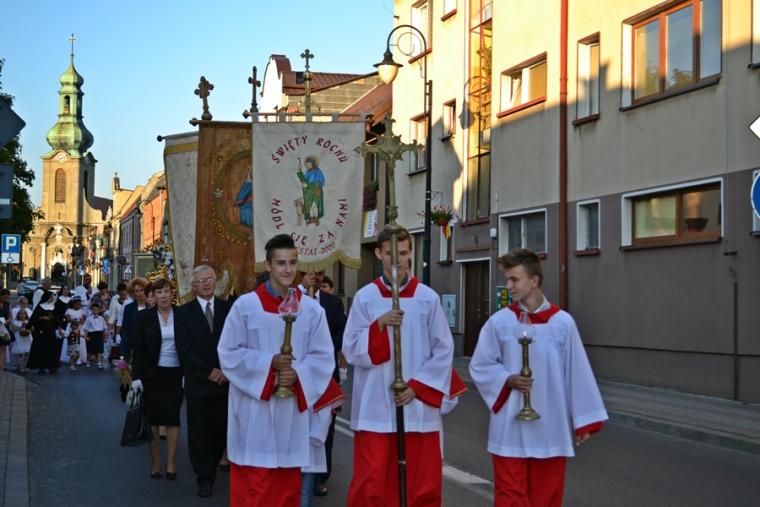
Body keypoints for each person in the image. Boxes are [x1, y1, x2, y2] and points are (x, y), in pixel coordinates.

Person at [469, 249, 608, 507]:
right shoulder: (499, 322)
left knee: (546, 498)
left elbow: (576, 371)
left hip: (550, 427)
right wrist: (507, 379)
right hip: (510, 427)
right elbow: (480, 365)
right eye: (507, 279)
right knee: (510, 498)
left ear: (534, 280)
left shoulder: (562, 323)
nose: (508, 286)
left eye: (514, 279)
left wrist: (584, 421)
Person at [343, 226, 462, 507]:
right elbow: (351, 348)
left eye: (405, 253)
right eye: (391, 254)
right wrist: (380, 324)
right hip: (375, 406)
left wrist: (416, 388)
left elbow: (444, 349)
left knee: (421, 485)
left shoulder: (427, 298)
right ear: (378, 254)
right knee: (372, 485)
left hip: (418, 407)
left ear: (412, 253)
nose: (399, 261)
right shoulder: (365, 297)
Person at [217, 234, 338, 506]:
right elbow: (228, 353)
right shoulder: (245, 306)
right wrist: (268, 364)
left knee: (286, 490)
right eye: (281, 263)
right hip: (254, 415)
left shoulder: (311, 310)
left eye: (292, 263)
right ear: (268, 265)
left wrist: (298, 374)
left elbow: (323, 357)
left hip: (291, 417)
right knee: (254, 490)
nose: (288, 269)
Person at [174, 265, 232, 498]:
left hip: (224, 382)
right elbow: (184, 348)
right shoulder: (184, 312)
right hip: (199, 383)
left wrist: (226, 371)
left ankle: (213, 465)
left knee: (220, 431)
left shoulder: (228, 309)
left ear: (216, 281)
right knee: (199, 432)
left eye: (210, 279)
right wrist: (207, 372)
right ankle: (204, 478)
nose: (207, 283)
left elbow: (236, 342)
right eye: (202, 280)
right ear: (193, 285)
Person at [297, 270, 346, 499]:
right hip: (297, 373)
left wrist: (324, 345)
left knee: (325, 427)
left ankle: (320, 478)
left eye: (317, 274)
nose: (313, 278)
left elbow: (343, 333)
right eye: (308, 274)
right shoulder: (290, 298)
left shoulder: (333, 303)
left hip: (325, 374)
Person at [130, 278, 183, 480]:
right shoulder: (144, 317)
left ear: (172, 294)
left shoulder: (182, 314)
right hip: (152, 374)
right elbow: (138, 348)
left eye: (166, 291)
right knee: (153, 418)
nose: (163, 296)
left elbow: (189, 344)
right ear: (153, 296)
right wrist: (135, 377)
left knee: (173, 418)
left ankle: (171, 461)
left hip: (176, 373)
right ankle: (156, 461)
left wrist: (189, 373)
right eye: (159, 292)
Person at [26, 291, 60, 373]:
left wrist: (53, 319)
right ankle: (41, 366)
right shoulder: (40, 307)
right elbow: (33, 319)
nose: (52, 298)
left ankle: (52, 366)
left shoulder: (53, 307)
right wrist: (42, 318)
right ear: (46, 297)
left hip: (50, 331)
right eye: (51, 297)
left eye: (53, 297)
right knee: (41, 349)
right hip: (41, 330)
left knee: (51, 349)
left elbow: (56, 320)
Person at [120, 278, 150, 361]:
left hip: (149, 347)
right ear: (133, 293)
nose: (140, 293)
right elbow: (125, 331)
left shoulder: (151, 306)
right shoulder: (129, 308)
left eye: (141, 290)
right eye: (137, 291)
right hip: (133, 347)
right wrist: (122, 354)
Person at [10, 296, 33, 372]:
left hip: (27, 336)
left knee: (27, 351)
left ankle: (25, 365)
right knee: (20, 351)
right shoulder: (14, 310)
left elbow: (31, 324)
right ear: (20, 303)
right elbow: (12, 325)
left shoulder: (28, 310)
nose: (25, 305)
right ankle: (19, 365)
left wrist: (29, 329)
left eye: (26, 303)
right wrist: (20, 327)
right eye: (23, 303)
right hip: (18, 336)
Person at [65, 297, 89, 367]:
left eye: (80, 304)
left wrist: (82, 321)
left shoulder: (81, 311)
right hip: (71, 328)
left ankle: (79, 358)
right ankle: (70, 358)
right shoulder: (69, 310)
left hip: (79, 328)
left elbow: (84, 320)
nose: (79, 306)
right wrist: (75, 321)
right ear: (73, 304)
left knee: (80, 342)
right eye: (77, 304)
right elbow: (68, 320)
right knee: (71, 342)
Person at [83, 302, 107, 369]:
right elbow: (86, 329)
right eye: (93, 309)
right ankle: (88, 362)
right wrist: (86, 337)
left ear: (99, 310)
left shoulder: (101, 318)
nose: (95, 311)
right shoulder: (88, 319)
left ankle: (99, 363)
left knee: (100, 350)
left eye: (97, 310)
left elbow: (104, 328)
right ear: (91, 310)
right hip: (91, 335)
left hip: (99, 335)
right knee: (90, 350)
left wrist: (105, 337)